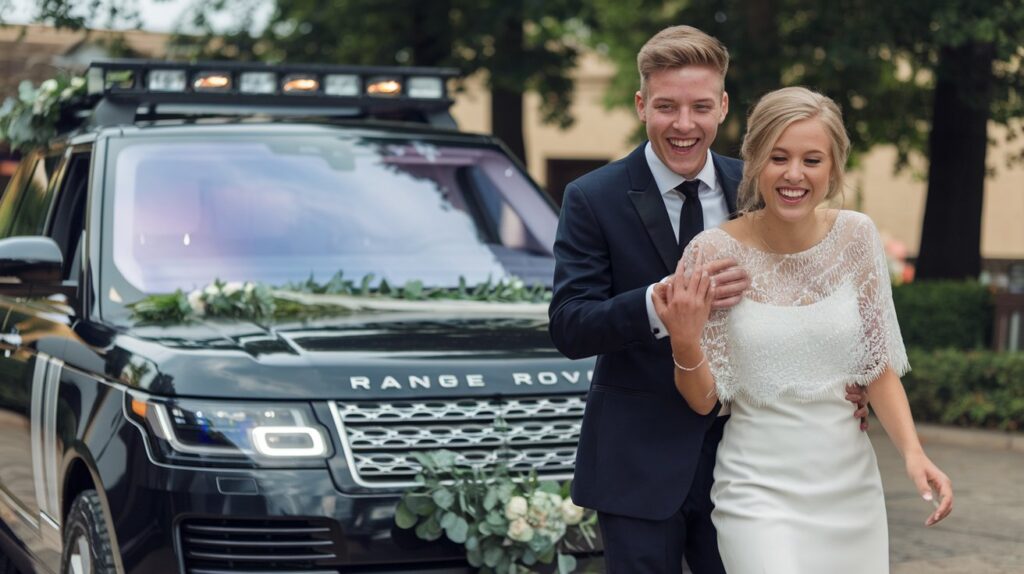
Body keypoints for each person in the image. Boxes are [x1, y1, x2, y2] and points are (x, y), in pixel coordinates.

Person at [547, 26, 867, 573]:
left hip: (749, 463)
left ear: (722, 107)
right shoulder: (591, 197)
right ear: (642, 104)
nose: (684, 124)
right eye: (667, 106)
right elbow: (570, 326)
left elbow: (814, 302)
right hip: (637, 465)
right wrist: (661, 303)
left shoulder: (761, 188)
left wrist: (848, 381)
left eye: (700, 106)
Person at [652, 86, 954, 574]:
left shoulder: (858, 237)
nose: (794, 174)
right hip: (756, 491)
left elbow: (877, 369)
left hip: (849, 490)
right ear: (754, 162)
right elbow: (703, 400)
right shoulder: (710, 252)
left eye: (812, 159)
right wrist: (685, 340)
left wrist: (915, 455)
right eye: (779, 157)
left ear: (833, 168)